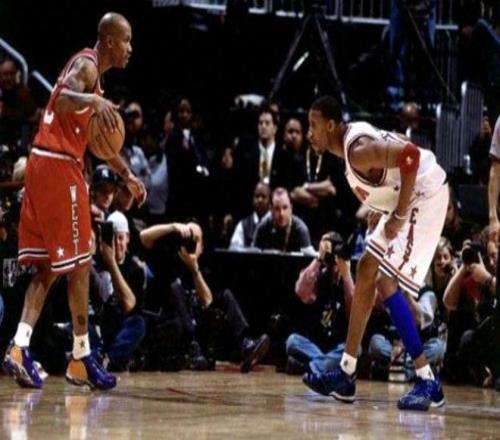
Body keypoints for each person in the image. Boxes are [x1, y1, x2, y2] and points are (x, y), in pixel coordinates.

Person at [3, 12, 146, 390]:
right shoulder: (87, 65)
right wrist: (92, 100)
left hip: (44, 163)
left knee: (50, 265)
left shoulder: (93, 76)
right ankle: (81, 356)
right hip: (57, 167)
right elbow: (63, 97)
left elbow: (98, 144)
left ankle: (18, 347)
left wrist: (127, 175)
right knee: (82, 260)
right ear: (109, 40)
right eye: (127, 40)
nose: (130, 48)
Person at [303, 96, 448, 411]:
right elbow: (400, 146)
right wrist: (383, 205)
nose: (309, 133)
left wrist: (398, 213)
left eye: (313, 125)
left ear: (331, 125)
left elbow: (409, 155)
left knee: (385, 280)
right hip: (404, 197)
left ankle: (428, 381)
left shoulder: (357, 151)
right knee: (366, 268)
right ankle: (346, 374)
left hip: (425, 194)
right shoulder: (353, 146)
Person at [252, 187, 314, 254]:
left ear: (291, 208)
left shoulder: (300, 229)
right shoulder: (263, 227)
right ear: (271, 210)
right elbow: (252, 255)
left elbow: (309, 257)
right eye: (277, 209)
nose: (281, 214)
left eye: (285, 208)